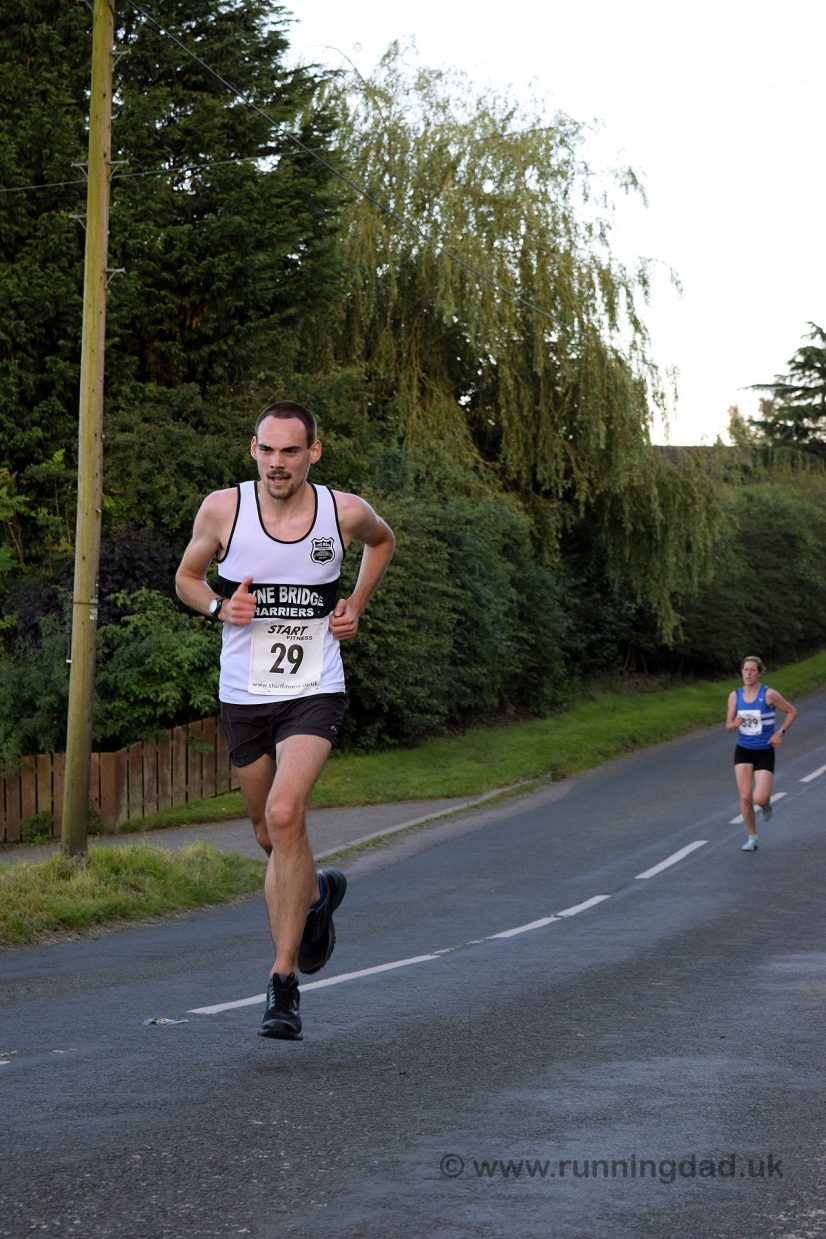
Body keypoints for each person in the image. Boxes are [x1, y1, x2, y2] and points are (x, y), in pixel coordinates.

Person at [175, 400, 395, 1040]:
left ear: (312, 454)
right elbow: (187, 578)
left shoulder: (342, 512)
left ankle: (283, 982)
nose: (278, 463)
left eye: (291, 451)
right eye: (267, 450)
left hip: (314, 687)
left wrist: (355, 604)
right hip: (244, 691)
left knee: (284, 811)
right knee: (268, 835)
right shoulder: (224, 509)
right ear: (254, 450)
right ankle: (317, 893)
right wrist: (219, 608)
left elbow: (383, 541)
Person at [725, 655, 798, 852]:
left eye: (752, 670)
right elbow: (728, 726)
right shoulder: (735, 696)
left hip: (764, 751)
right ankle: (752, 837)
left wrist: (780, 732)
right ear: (741, 672)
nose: (748, 673)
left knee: (760, 798)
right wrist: (734, 724)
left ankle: (765, 806)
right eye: (745, 670)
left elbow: (792, 711)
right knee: (745, 797)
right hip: (743, 750)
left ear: (759, 673)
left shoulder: (769, 694)